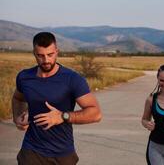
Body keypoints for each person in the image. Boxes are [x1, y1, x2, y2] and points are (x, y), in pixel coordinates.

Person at [12, 32, 102, 165]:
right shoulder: (24, 77)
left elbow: (96, 114)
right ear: (34, 53)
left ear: (57, 51)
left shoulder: (72, 79)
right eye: (40, 55)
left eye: (50, 54)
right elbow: (18, 98)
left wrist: (62, 116)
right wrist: (18, 117)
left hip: (62, 153)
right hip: (31, 150)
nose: (46, 60)